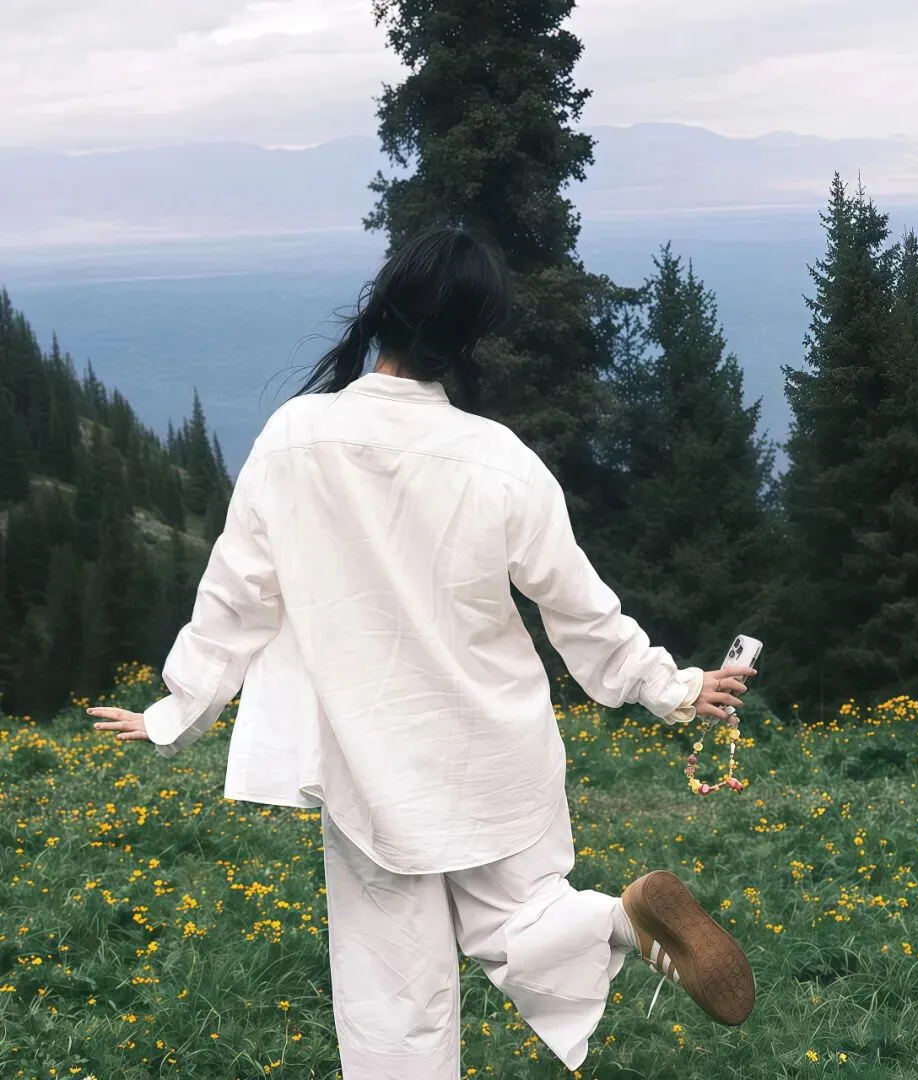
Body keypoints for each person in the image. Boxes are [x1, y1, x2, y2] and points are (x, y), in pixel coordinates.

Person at [87, 224, 758, 1079]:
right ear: (470, 338)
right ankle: (621, 920)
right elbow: (580, 609)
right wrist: (674, 687)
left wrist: (174, 714)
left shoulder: (296, 439)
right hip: (497, 751)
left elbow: (235, 597)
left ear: (384, 308)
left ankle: (619, 928)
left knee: (392, 997)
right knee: (521, 917)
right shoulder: (501, 461)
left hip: (372, 767)